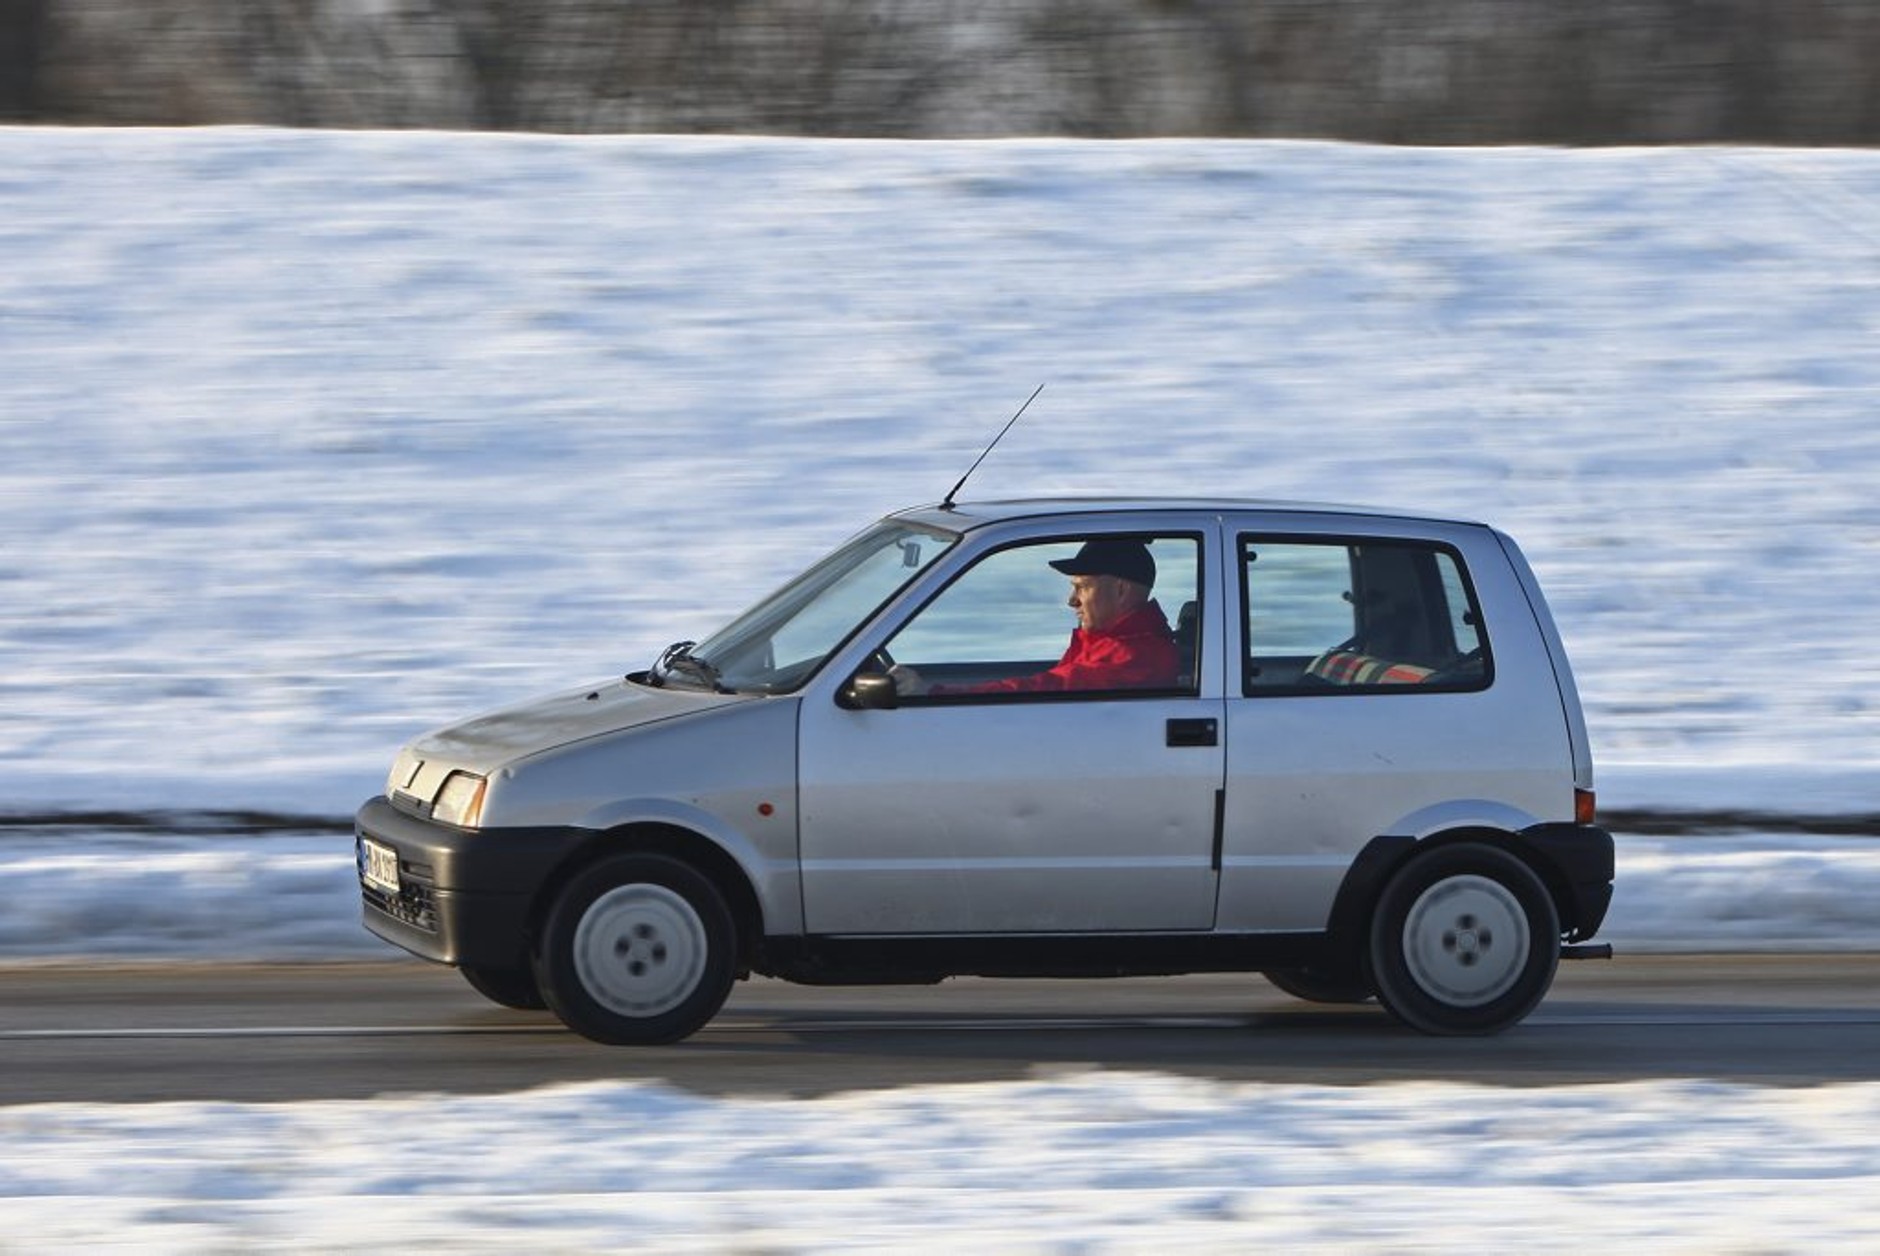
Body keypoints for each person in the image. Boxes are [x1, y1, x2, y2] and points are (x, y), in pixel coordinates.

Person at [890, 538, 1180, 696]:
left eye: (1082, 588)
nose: (1072, 601)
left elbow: (1049, 689)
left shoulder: (1133, 656)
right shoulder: (1107, 643)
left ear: (1120, 589)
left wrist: (933, 694)